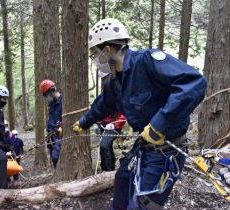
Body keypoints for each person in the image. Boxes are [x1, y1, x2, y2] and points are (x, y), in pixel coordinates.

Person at [72, 18, 207, 209]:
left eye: (96, 53)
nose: (96, 60)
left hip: (166, 152)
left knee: (143, 204)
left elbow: (193, 83)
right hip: (144, 146)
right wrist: (83, 122)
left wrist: (160, 123)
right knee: (122, 181)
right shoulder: (115, 82)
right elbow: (103, 104)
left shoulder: (147, 61)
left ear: (108, 50)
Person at [97, 72, 127, 171]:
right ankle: (110, 168)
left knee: (104, 145)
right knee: (107, 146)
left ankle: (107, 170)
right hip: (104, 124)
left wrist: (114, 124)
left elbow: (124, 113)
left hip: (114, 126)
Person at [39, 79, 62, 168]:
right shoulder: (51, 104)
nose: (47, 97)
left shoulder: (63, 101)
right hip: (51, 135)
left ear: (52, 91)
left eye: (47, 95)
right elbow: (50, 119)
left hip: (61, 134)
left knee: (56, 157)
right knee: (53, 158)